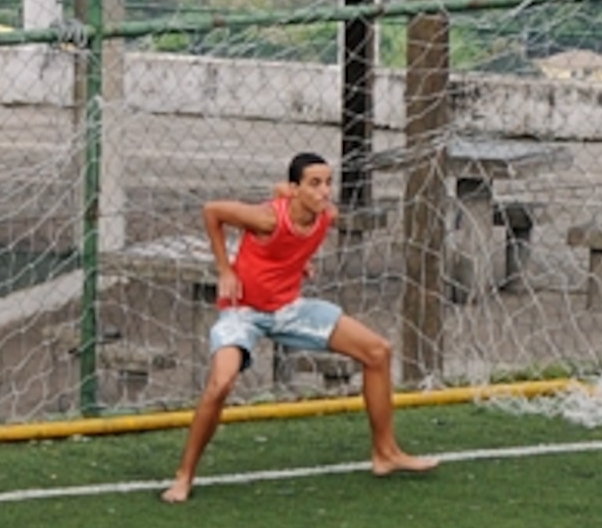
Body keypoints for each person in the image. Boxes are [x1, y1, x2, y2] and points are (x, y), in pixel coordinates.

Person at [159, 151, 439, 504]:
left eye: (328, 183)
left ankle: (386, 453)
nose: (325, 191)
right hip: (243, 311)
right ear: (296, 189)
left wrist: (297, 263)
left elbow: (290, 224)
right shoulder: (267, 219)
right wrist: (225, 270)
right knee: (220, 384)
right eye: (315, 184)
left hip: (290, 308)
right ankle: (184, 476)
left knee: (378, 351)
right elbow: (212, 211)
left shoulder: (326, 214)